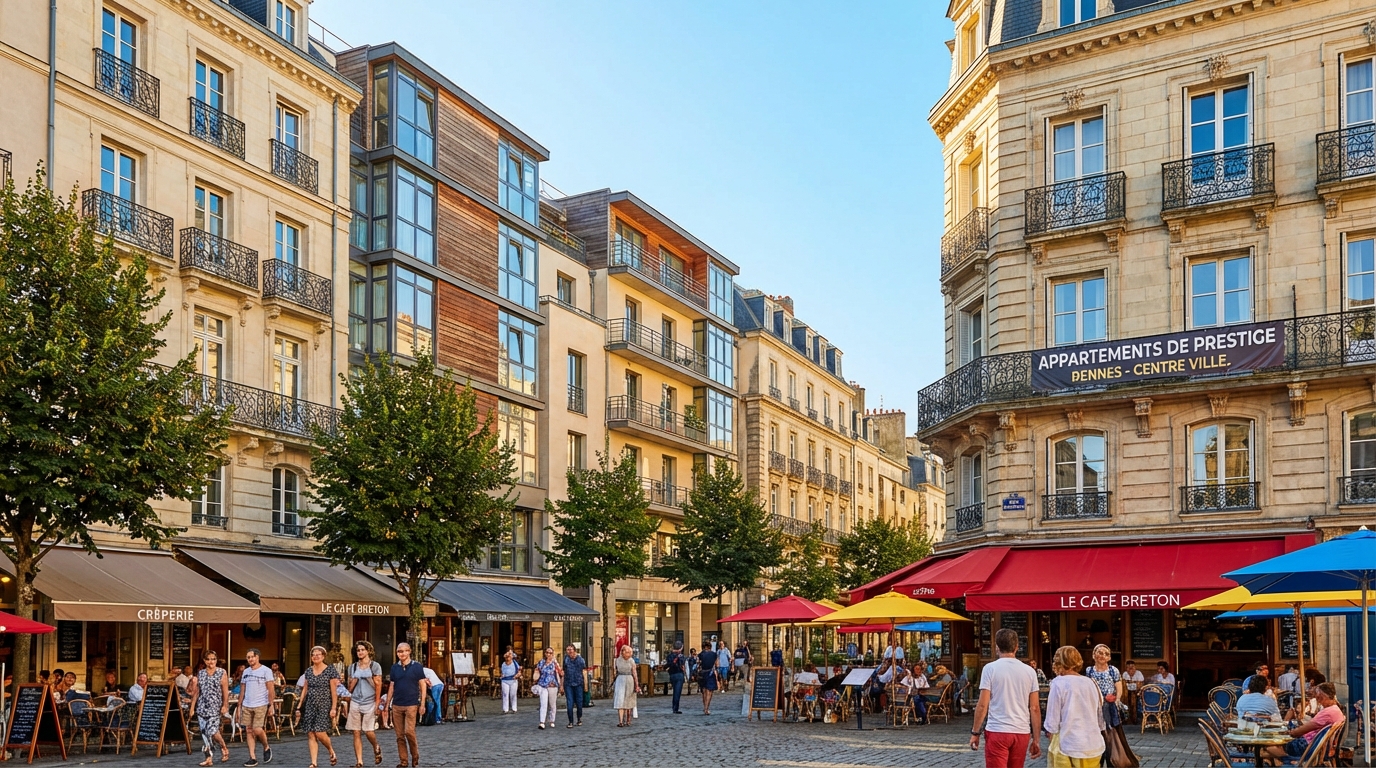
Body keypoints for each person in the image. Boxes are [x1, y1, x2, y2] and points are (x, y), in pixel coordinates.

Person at [969, 628, 1042, 768]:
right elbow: (1034, 708)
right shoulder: (1030, 672)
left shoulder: (990, 669)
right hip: (1021, 731)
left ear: (996, 647)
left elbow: (983, 705)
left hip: (997, 730)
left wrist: (975, 732)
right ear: (1016, 647)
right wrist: (1036, 739)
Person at [1041, 646, 1105, 768]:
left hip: (1068, 744)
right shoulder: (1091, 682)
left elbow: (1052, 719)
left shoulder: (1058, 683)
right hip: (1092, 743)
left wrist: (1050, 732)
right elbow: (1099, 713)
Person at [1264, 682, 1345, 762]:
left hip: (1308, 747)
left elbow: (1298, 733)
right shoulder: (1336, 710)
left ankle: (1289, 760)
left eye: (1317, 695)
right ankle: (1273, 758)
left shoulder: (1327, 713)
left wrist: (1290, 733)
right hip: (1318, 746)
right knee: (1272, 748)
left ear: (1322, 696)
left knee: (1269, 746)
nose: (1316, 698)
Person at [293, 646, 340, 768]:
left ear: (323, 656)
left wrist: (333, 707)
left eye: (318, 654)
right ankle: (314, 762)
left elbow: (333, 691)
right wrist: (299, 705)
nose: (315, 656)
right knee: (311, 733)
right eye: (313, 654)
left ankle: (330, 750)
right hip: (310, 705)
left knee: (319, 732)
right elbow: (305, 688)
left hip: (324, 705)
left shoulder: (330, 670)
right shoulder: (308, 671)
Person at [188, 650, 231, 767]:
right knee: (204, 733)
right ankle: (208, 757)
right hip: (202, 706)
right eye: (208, 659)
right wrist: (192, 707)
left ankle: (223, 747)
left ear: (216, 660)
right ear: (204, 661)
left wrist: (225, 705)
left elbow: (225, 690)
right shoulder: (201, 673)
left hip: (215, 706)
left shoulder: (222, 672)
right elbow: (197, 692)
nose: (211, 661)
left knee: (212, 731)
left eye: (213, 659)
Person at [388, 642, 426, 768]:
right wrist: (387, 703)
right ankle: (403, 760)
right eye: (399, 651)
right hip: (397, 704)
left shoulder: (417, 666)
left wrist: (422, 703)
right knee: (399, 735)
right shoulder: (394, 668)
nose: (402, 654)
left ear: (409, 651)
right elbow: (392, 686)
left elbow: (422, 685)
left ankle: (415, 757)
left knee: (409, 732)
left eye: (404, 651)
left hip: (411, 704)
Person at [346, 641, 383, 768]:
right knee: (356, 731)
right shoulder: (352, 667)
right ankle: (359, 761)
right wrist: (355, 679)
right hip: (356, 700)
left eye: (363, 649)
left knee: (368, 731)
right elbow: (349, 688)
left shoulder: (375, 666)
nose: (360, 652)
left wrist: (377, 702)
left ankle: (376, 746)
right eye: (358, 650)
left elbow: (378, 685)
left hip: (370, 701)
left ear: (368, 651)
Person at [238, 648, 276, 767]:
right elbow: (242, 689)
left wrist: (271, 705)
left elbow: (271, 689)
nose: (250, 659)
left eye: (252, 657)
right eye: (248, 657)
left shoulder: (266, 671)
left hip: (261, 703)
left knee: (257, 729)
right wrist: (239, 705)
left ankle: (266, 746)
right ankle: (252, 757)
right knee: (249, 730)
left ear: (257, 657)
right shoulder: (246, 672)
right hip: (247, 704)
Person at [1085, 644, 1123, 733]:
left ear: (1109, 658)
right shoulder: (1089, 670)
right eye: (1100, 653)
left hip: (1109, 703)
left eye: (1106, 654)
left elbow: (1119, 687)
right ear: (1094, 655)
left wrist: (1117, 700)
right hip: (1095, 703)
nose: (1103, 656)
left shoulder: (1113, 670)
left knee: (1110, 728)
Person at [532, 647, 562, 730]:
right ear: (545, 653)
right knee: (543, 704)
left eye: (550, 653)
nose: (548, 654)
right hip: (543, 685)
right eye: (547, 652)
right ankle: (542, 722)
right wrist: (535, 675)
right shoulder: (541, 662)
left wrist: (561, 685)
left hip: (552, 685)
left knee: (552, 704)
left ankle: (552, 720)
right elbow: (537, 672)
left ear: (553, 654)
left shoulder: (555, 663)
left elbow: (561, 673)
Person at [613, 644, 638, 727]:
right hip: (620, 679)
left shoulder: (631, 661)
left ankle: (628, 719)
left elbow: (634, 673)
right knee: (620, 700)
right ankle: (621, 721)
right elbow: (614, 671)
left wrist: (636, 685)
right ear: (622, 652)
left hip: (629, 680)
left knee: (629, 699)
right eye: (627, 652)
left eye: (630, 653)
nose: (629, 654)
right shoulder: (617, 660)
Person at [562, 645, 587, 727]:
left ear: (574, 650)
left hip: (578, 683)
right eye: (567, 650)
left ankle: (579, 718)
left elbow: (584, 672)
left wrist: (585, 685)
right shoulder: (566, 659)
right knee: (569, 703)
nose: (569, 651)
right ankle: (570, 721)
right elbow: (563, 671)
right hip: (568, 684)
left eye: (570, 649)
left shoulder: (580, 660)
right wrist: (561, 685)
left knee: (579, 703)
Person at [662, 641, 686, 715]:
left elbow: (668, 664)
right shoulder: (681, 656)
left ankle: (674, 707)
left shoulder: (669, 655)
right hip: (679, 674)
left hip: (672, 674)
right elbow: (682, 665)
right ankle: (675, 708)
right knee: (677, 692)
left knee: (675, 691)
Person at [697, 644, 720, 715]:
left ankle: (705, 707)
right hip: (710, 673)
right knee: (709, 691)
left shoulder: (700, 654)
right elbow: (717, 664)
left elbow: (698, 663)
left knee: (704, 691)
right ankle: (707, 708)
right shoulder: (714, 654)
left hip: (703, 673)